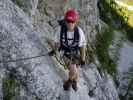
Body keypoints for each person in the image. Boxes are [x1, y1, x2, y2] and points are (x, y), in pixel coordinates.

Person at [48, 9, 86, 91]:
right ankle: (69, 81)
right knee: (73, 69)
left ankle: (75, 81)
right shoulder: (60, 30)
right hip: (64, 52)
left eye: (72, 21)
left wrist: (83, 59)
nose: (70, 23)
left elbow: (82, 46)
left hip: (75, 52)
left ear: (76, 22)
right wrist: (54, 50)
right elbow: (55, 42)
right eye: (68, 21)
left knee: (76, 69)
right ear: (65, 21)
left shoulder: (79, 32)